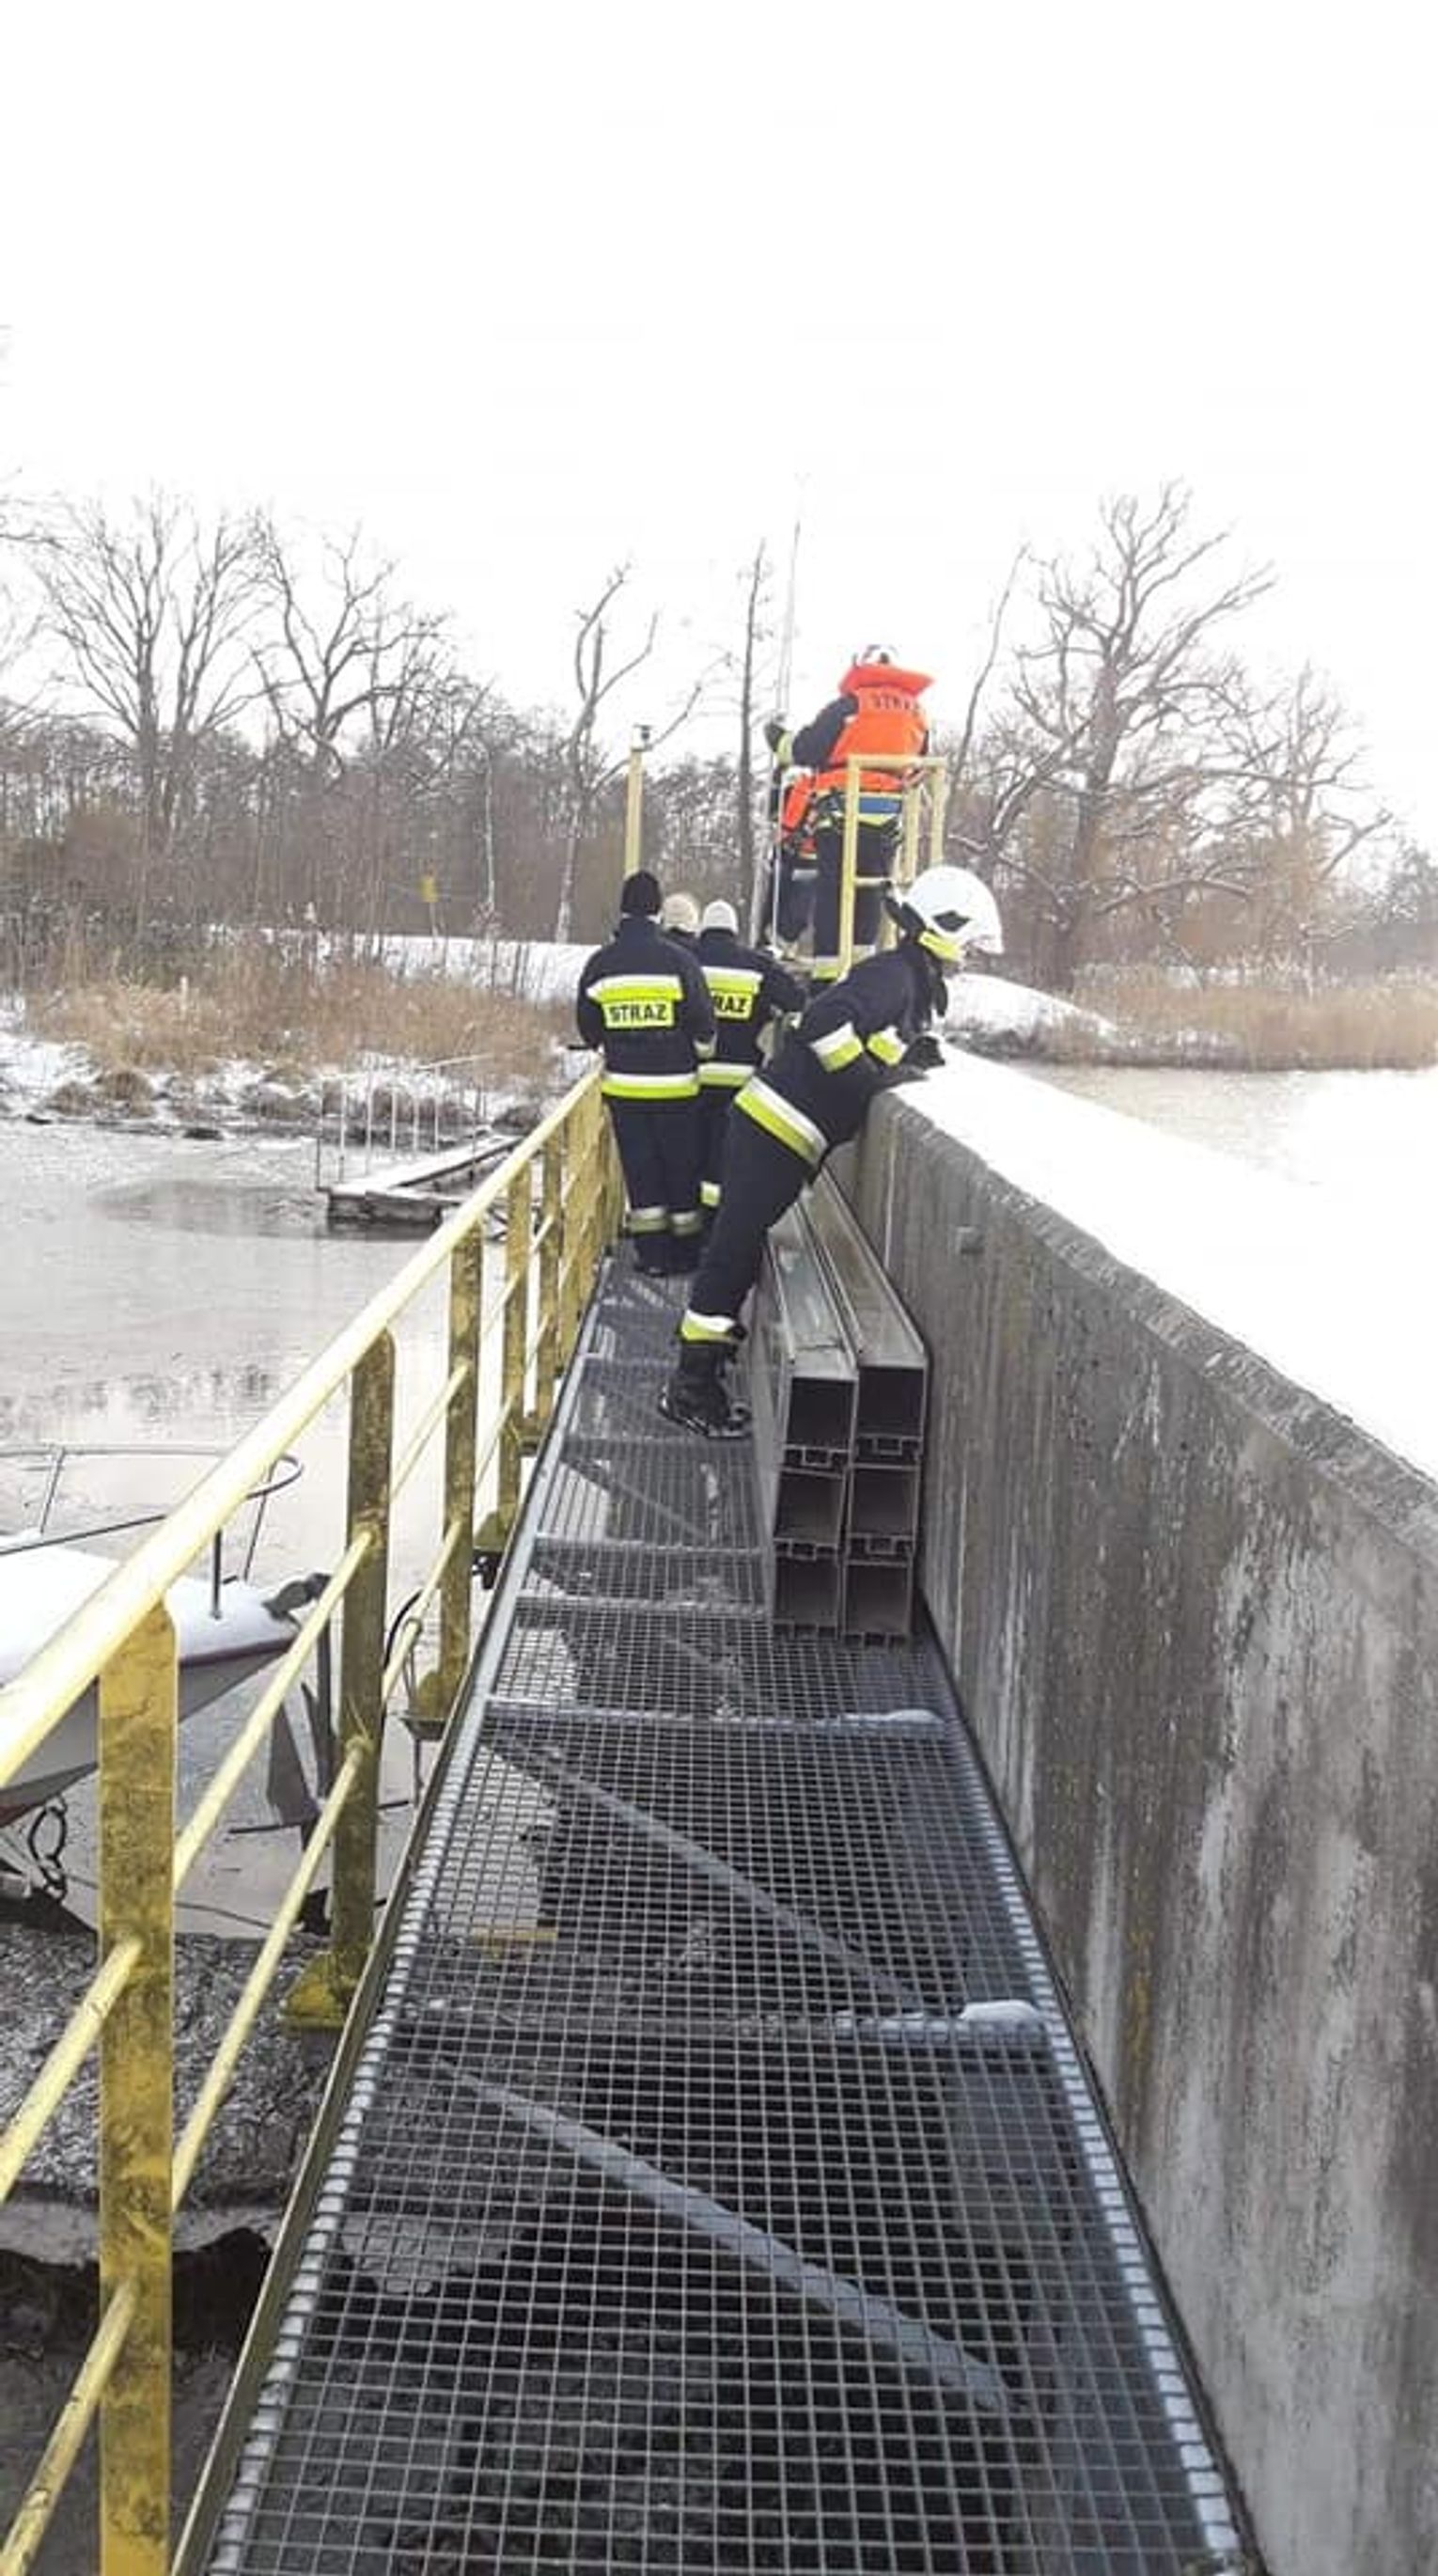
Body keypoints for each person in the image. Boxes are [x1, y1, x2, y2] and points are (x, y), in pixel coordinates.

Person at [660, 865, 1003, 1434]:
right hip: (773, 1130)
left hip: (781, 1134)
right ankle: (689, 1389)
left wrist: (899, 1058)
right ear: (945, 927)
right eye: (968, 943)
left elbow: (857, 1036)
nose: (968, 957)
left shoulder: (907, 980)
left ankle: (698, 1376)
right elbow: (822, 1024)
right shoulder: (896, 976)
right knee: (730, 1257)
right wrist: (869, 1081)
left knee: (733, 1254)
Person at [575, 870, 714, 1275]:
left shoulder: (601, 965)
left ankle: (653, 1257)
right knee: (681, 1169)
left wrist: (610, 1045)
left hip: (626, 1091)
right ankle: (686, 1253)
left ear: (623, 911)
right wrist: (698, 1056)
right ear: (657, 913)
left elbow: (588, 1026)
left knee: (642, 1172)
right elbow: (703, 1023)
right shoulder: (680, 962)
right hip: (677, 1091)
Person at [766, 647, 932, 983]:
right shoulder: (918, 714)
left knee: (834, 896)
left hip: (841, 819)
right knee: (870, 896)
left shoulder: (849, 707)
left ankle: (827, 979)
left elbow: (804, 749)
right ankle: (862, 976)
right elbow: (920, 764)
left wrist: (776, 737)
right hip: (887, 822)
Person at [693, 899, 805, 1222]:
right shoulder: (756, 966)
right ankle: (717, 1222)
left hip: (692, 1079)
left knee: (690, 1154)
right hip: (738, 1082)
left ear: (703, 929)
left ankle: (689, 1224)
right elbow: (796, 1000)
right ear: (734, 931)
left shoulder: (687, 961)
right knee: (723, 1157)